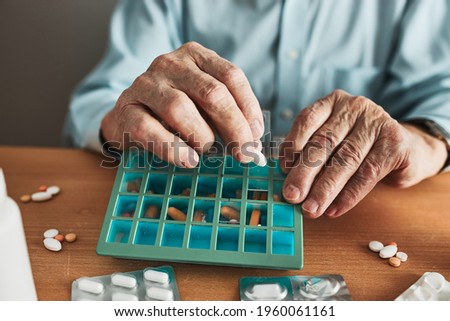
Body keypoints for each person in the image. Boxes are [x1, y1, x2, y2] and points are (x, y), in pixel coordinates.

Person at [64, 0, 450, 219]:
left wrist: (419, 144)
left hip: (355, 220)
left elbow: (441, 97)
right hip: (194, 198)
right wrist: (123, 120)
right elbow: (98, 101)